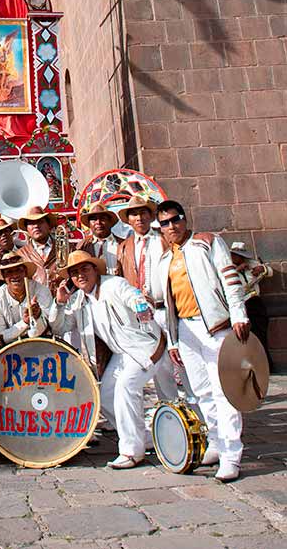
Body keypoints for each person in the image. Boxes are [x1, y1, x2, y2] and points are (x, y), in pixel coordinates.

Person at [156, 200, 249, 482]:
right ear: (160, 228)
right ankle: (218, 443)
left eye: (175, 219)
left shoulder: (208, 242)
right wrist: (172, 341)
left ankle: (232, 455)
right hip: (185, 329)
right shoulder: (164, 261)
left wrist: (239, 314)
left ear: (184, 219)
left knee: (225, 391)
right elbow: (166, 303)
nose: (172, 226)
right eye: (165, 223)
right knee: (201, 391)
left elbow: (229, 278)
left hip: (216, 325)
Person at [49, 251, 168, 470]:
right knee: (103, 396)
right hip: (121, 354)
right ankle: (141, 437)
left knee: (125, 386)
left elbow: (134, 297)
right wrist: (58, 303)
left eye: (85, 269)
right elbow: (60, 327)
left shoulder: (115, 285)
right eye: (75, 273)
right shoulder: (77, 300)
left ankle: (131, 451)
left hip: (144, 347)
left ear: (95, 269)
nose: (80, 276)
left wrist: (141, 308)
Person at [115, 196, 179, 402]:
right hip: (143, 316)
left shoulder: (164, 239)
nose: (139, 217)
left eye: (143, 212)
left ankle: (196, 414)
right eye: (134, 214)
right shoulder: (124, 247)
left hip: (166, 308)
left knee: (181, 361)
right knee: (158, 366)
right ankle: (170, 411)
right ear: (128, 219)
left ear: (151, 216)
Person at [0, 251, 52, 342]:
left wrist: (37, 316)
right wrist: (24, 323)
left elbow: (48, 326)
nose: (15, 276)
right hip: (10, 349)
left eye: (18, 270)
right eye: (9, 272)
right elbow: (0, 336)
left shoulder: (41, 291)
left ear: (25, 272)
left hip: (43, 343)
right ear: (3, 276)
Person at [230, 241, 274, 370]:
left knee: (261, 334)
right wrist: (237, 270)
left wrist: (263, 269)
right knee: (248, 336)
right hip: (242, 304)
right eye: (236, 255)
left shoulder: (251, 264)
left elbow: (269, 272)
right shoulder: (228, 268)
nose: (239, 258)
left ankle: (266, 365)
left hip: (255, 303)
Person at [16, 206, 62, 293]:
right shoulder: (20, 255)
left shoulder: (66, 248)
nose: (36, 226)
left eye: (40, 222)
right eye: (31, 223)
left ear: (49, 226)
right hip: (36, 303)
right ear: (27, 229)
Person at [77, 202, 122, 274]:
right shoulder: (82, 246)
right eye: (94, 219)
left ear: (110, 221)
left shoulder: (123, 244)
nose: (98, 222)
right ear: (89, 224)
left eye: (102, 218)